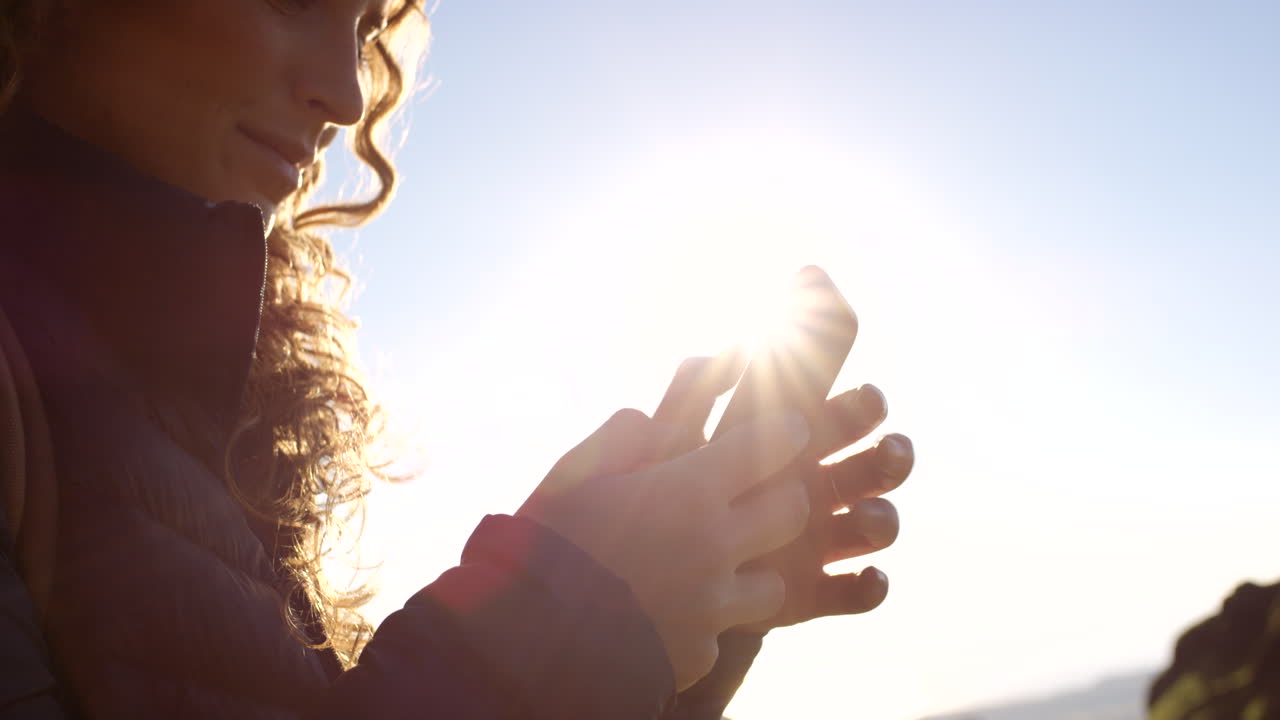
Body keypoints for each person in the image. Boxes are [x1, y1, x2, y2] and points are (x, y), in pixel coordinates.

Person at [0, 1, 915, 718]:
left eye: (364, 27)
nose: (350, 95)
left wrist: (673, 632)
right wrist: (570, 619)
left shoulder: (196, 398)